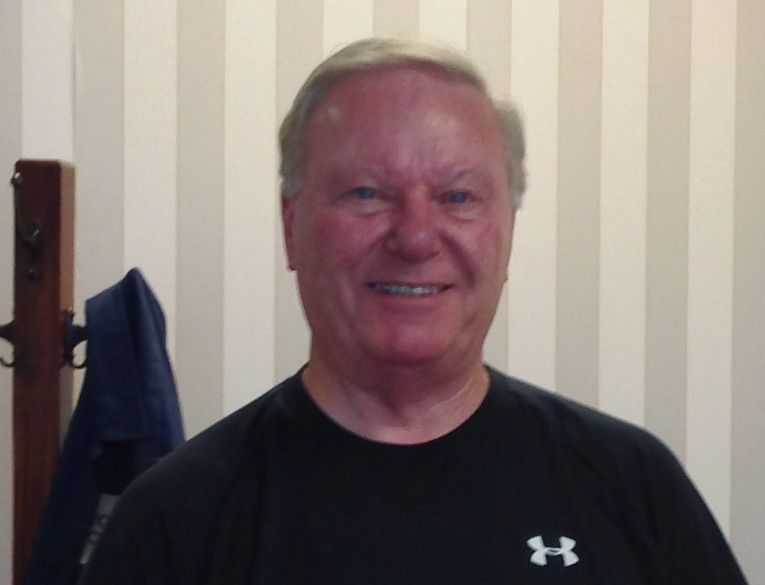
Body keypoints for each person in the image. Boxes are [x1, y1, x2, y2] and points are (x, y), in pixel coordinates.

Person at [80, 38, 747, 584]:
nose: (417, 237)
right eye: (367, 193)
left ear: (506, 230)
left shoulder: (631, 486)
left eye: (458, 197)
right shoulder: (174, 522)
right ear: (291, 227)